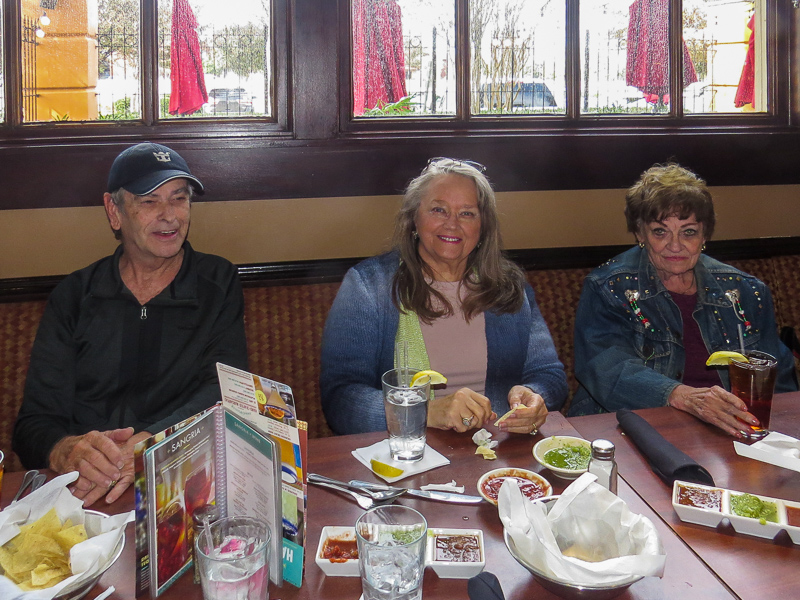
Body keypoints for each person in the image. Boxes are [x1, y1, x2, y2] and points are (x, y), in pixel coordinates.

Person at [13, 142, 248, 506]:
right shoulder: (75, 296)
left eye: (179, 198)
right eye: (149, 201)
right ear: (114, 211)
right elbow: (33, 424)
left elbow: (226, 392)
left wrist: (152, 441)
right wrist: (66, 450)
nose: (169, 216)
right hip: (84, 494)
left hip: (178, 481)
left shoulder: (217, 284)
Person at [320, 158, 567, 436]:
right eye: (439, 209)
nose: (452, 224)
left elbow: (549, 374)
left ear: (483, 227)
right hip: (408, 455)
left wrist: (535, 395)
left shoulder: (508, 285)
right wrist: (421, 411)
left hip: (499, 454)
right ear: (414, 219)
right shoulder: (368, 286)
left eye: (467, 213)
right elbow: (340, 400)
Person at [570, 163, 797, 436]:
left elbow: (778, 381)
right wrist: (683, 396)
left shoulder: (746, 291)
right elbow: (606, 370)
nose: (675, 245)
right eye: (660, 231)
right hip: (630, 427)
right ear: (640, 233)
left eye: (688, 231)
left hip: (728, 430)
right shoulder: (609, 287)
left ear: (704, 235)